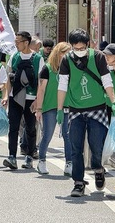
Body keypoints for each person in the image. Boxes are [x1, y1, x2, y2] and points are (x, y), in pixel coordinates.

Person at [57, 28, 115, 197]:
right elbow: (62, 85)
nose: (79, 51)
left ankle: (98, 168)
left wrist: (112, 102)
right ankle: (78, 183)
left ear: (88, 44)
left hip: (97, 108)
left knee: (96, 146)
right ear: (71, 47)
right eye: (75, 48)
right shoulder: (66, 60)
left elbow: (107, 81)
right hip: (75, 110)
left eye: (82, 47)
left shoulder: (98, 57)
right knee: (75, 148)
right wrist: (60, 109)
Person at [3, 31, 45, 170]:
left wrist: (38, 100)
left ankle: (29, 157)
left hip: (31, 98)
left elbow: (41, 82)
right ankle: (12, 157)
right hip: (15, 97)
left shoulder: (38, 58)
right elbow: (8, 78)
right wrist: (6, 96)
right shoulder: (14, 57)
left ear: (26, 42)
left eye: (18, 42)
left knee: (30, 128)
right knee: (13, 127)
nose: (16, 44)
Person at [35, 42, 72, 175]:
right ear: (58, 53)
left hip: (67, 106)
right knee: (48, 135)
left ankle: (69, 163)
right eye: (64, 53)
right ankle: (42, 161)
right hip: (50, 106)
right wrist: (39, 109)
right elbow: (41, 90)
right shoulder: (47, 68)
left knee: (68, 137)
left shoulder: (71, 69)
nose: (67, 56)